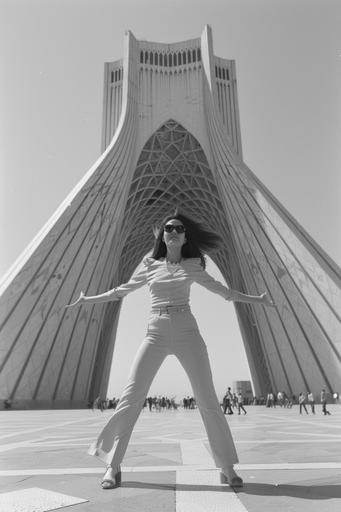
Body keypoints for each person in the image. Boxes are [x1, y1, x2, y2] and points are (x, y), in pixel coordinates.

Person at [66, 212, 276, 490]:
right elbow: (121, 291)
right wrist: (87, 299)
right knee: (130, 398)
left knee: (208, 400)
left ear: (185, 236)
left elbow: (224, 292)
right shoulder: (150, 265)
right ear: (162, 236)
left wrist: (257, 300)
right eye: (168, 228)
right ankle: (112, 466)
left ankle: (227, 467)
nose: (173, 231)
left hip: (187, 330)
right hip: (155, 331)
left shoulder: (192, 265)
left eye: (179, 228)